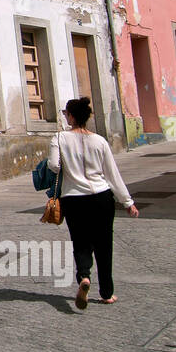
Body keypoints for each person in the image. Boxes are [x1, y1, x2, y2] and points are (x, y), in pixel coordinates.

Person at [47, 96, 139, 310]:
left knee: (80, 242)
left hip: (74, 198)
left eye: (66, 114)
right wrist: (128, 202)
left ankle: (84, 277)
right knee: (104, 244)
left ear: (70, 116)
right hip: (101, 196)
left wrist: (66, 166)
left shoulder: (59, 138)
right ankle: (107, 292)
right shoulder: (99, 141)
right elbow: (112, 174)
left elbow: (54, 165)